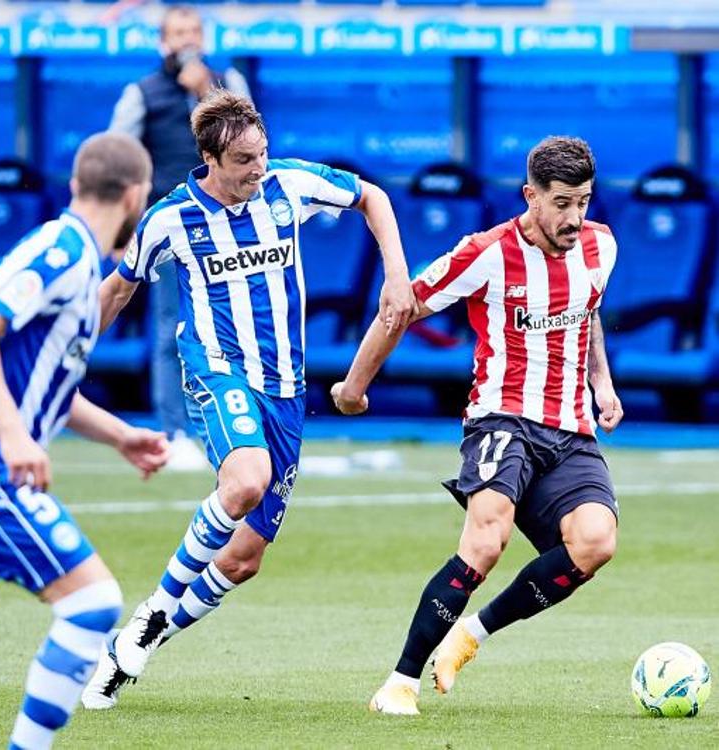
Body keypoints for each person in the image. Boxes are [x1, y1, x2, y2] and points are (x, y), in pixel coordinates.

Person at [81, 89, 416, 709]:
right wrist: (60, 355)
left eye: (262, 154)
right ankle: (155, 609)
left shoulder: (288, 185)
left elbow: (373, 196)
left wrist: (396, 273)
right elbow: (118, 292)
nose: (258, 168)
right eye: (244, 160)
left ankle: (137, 644)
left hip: (286, 388)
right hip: (217, 370)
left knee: (242, 560)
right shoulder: (169, 219)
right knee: (244, 482)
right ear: (209, 157)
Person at [331, 136, 624, 715]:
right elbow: (401, 306)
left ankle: (469, 636)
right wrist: (353, 387)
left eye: (583, 202)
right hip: (501, 419)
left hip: (568, 430)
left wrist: (602, 382)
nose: (574, 217)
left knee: (596, 543)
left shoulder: (601, 246)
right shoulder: (485, 252)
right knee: (486, 543)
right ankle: (400, 683)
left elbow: (588, 311)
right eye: (561, 203)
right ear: (530, 196)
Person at [0, 133, 169, 748]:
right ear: (135, 194)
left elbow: (48, 383)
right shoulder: (63, 250)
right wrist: (10, 433)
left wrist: (120, 436)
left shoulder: (83, 262)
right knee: (93, 603)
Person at [110, 4, 252, 471]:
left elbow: (252, 142)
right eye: (177, 33)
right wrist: (122, 227)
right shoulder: (141, 92)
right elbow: (120, 158)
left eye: (194, 31)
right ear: (162, 41)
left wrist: (206, 93)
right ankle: (174, 431)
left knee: (235, 327)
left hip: (232, 225)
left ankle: (236, 425)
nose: (187, 40)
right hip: (173, 226)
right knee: (173, 327)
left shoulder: (226, 83)